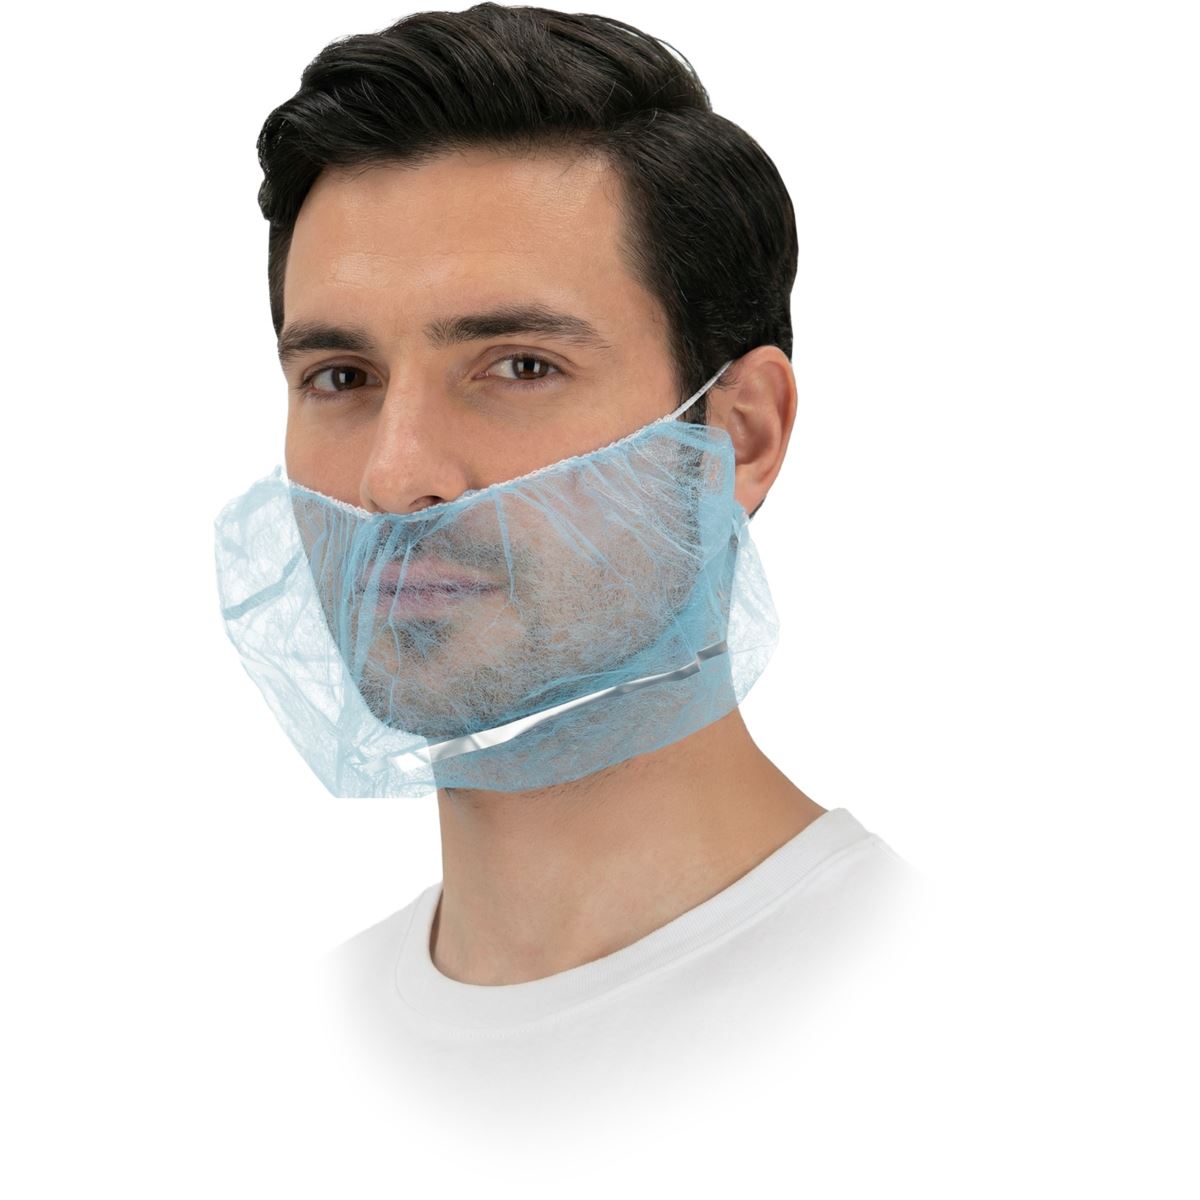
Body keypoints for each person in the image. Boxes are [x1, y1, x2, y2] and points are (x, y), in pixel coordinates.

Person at [238, 2, 925, 1125]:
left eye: (518, 366)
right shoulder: (261, 1077)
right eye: (341, 379)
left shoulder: (963, 1028)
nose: (393, 479)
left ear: (741, 435)